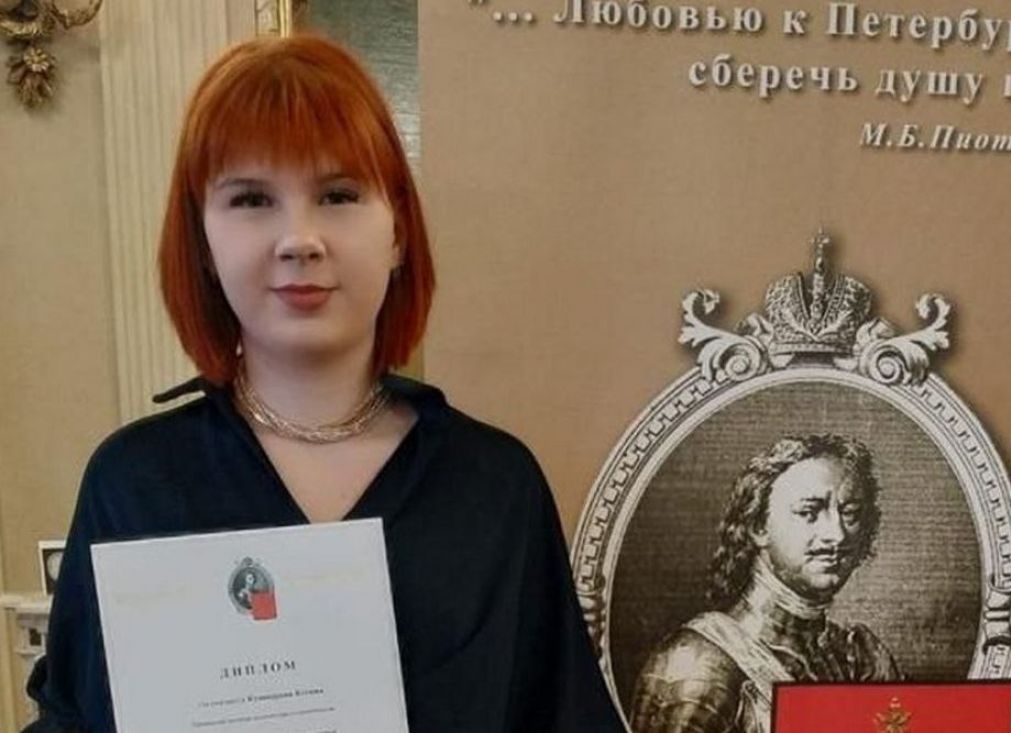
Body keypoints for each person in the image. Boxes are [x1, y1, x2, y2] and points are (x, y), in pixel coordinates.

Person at [25, 35, 622, 733]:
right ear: (203, 244)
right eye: (252, 199)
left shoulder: (494, 487)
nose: (299, 240)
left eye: (339, 194)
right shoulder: (135, 484)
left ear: (398, 232)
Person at [630, 434, 900, 732]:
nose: (837, 535)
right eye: (809, 512)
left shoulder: (858, 657)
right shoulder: (695, 663)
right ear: (758, 526)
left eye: (850, 514)